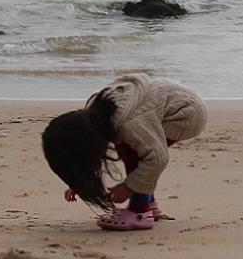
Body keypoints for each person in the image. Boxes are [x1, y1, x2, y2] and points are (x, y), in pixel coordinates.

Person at [41, 72, 208, 231]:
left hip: (186, 114)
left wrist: (129, 187)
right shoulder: (96, 118)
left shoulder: (131, 125)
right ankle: (148, 203)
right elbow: (89, 149)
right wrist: (78, 180)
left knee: (138, 151)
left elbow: (157, 158)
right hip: (166, 103)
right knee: (131, 146)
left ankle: (140, 212)